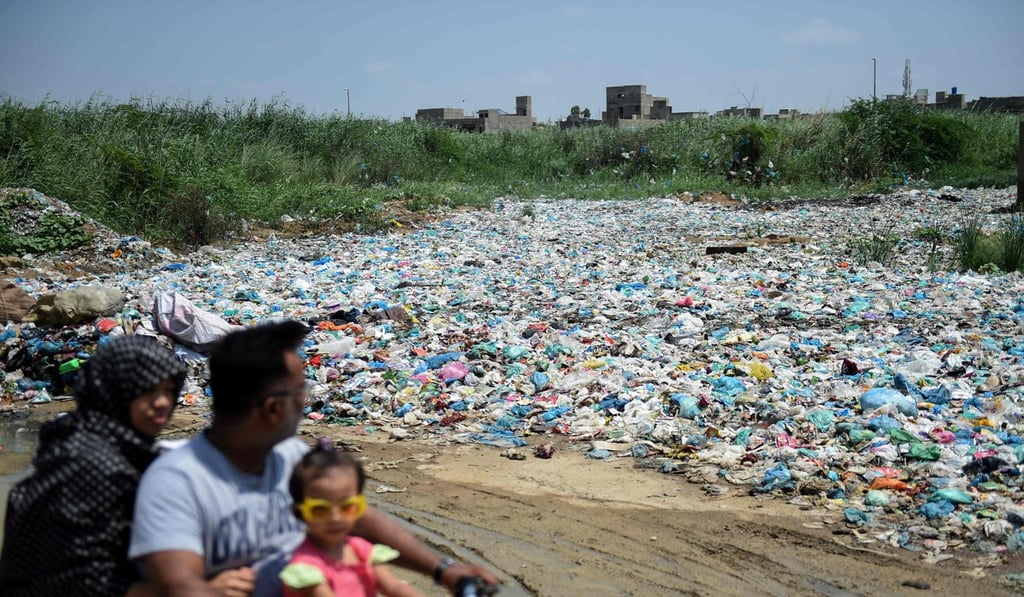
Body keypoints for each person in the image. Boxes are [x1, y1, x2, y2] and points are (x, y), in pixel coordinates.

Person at [130, 320, 498, 597]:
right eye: (300, 390)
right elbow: (178, 585)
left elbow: (357, 518)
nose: (306, 400)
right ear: (273, 408)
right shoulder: (177, 482)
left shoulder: (287, 454)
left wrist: (444, 570)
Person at [0, 335, 186, 597]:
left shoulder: (85, 439)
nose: (163, 402)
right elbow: (80, 578)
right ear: (115, 391)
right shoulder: (95, 462)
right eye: (148, 390)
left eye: (169, 391)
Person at [280, 439, 423, 597]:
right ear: (299, 512)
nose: (335, 518)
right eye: (320, 509)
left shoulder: (361, 550)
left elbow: (394, 587)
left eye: (347, 507)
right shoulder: (305, 566)